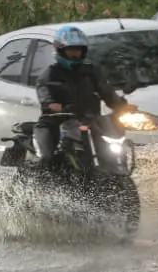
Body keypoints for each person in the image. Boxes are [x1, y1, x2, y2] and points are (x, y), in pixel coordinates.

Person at [33, 25, 133, 166]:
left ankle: (116, 172)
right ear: (60, 51)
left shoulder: (90, 72)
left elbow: (107, 91)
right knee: (47, 157)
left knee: (115, 152)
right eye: (71, 50)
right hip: (58, 122)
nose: (75, 54)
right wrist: (52, 105)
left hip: (91, 121)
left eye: (78, 50)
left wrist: (121, 106)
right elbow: (45, 95)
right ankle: (43, 185)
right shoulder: (50, 74)